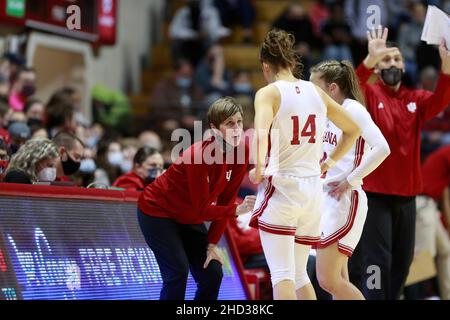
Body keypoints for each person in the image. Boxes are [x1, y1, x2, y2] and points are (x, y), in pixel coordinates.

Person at [248, 29, 361, 300]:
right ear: (291, 61)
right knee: (299, 276)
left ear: (266, 66)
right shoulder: (315, 91)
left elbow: (261, 133)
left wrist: (259, 167)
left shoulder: (268, 93)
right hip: (312, 192)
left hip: (283, 186)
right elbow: (353, 129)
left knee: (282, 276)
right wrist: (330, 161)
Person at [348, 27, 450, 300]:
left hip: (407, 198)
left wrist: (447, 64)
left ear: (404, 65)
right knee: (376, 262)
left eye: (396, 59)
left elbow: (441, 99)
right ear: (377, 67)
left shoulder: (415, 99)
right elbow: (353, 86)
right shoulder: (369, 94)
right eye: (386, 60)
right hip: (375, 195)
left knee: (404, 263)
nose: (392, 63)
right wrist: (370, 60)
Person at [137, 97, 256, 300]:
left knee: (213, 272)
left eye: (239, 122)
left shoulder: (242, 150)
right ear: (214, 128)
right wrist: (236, 210)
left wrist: (212, 245)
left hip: (189, 216)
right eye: (229, 124)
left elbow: (226, 200)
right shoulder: (198, 156)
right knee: (177, 273)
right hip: (158, 212)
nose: (237, 129)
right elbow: (202, 210)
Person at [309, 60, 390, 300]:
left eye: (316, 87)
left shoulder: (353, 109)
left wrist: (350, 180)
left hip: (346, 199)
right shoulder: (328, 114)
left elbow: (383, 148)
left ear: (332, 88)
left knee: (328, 280)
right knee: (339, 280)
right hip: (328, 199)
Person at [415, 145, 450, 300]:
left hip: (430, 205)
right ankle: (417, 296)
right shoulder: (448, 153)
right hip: (422, 204)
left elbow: (444, 190)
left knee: (445, 250)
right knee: (425, 257)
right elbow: (446, 195)